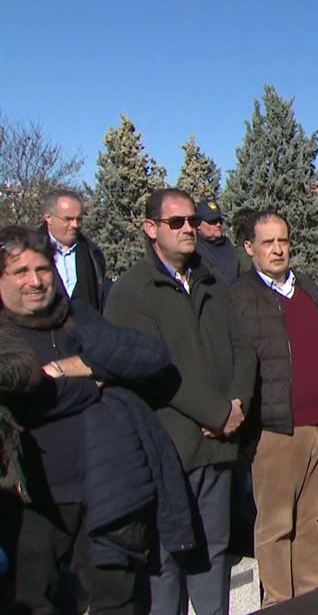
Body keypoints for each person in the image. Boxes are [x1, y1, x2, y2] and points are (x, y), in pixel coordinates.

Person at [1, 225, 180, 615]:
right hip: (34, 503)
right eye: (20, 272)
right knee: (32, 601)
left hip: (104, 495)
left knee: (114, 599)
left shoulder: (76, 317)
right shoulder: (5, 336)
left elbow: (149, 355)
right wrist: (94, 380)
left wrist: (67, 368)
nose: (35, 281)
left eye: (43, 269)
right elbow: (28, 399)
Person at [105, 188, 256, 615]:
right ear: (151, 229)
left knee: (213, 558)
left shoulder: (211, 280)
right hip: (168, 451)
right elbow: (154, 370)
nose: (189, 228)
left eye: (191, 220)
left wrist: (236, 403)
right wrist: (217, 412)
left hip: (217, 449)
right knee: (166, 566)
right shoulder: (133, 291)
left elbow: (243, 347)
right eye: (177, 222)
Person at [231, 211, 318, 606]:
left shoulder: (308, 288)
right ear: (249, 248)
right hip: (278, 432)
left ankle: (312, 601)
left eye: (283, 240)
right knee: (276, 527)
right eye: (268, 242)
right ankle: (279, 604)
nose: (279, 249)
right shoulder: (241, 297)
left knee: (311, 522)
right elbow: (239, 364)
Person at [39, 189, 107, 310]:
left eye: (79, 219)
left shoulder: (93, 254)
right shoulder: (31, 251)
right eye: (68, 219)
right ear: (48, 217)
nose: (75, 225)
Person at [193, 199, 240, 284]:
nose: (218, 224)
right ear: (198, 225)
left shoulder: (228, 244)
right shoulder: (194, 250)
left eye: (219, 220)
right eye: (212, 221)